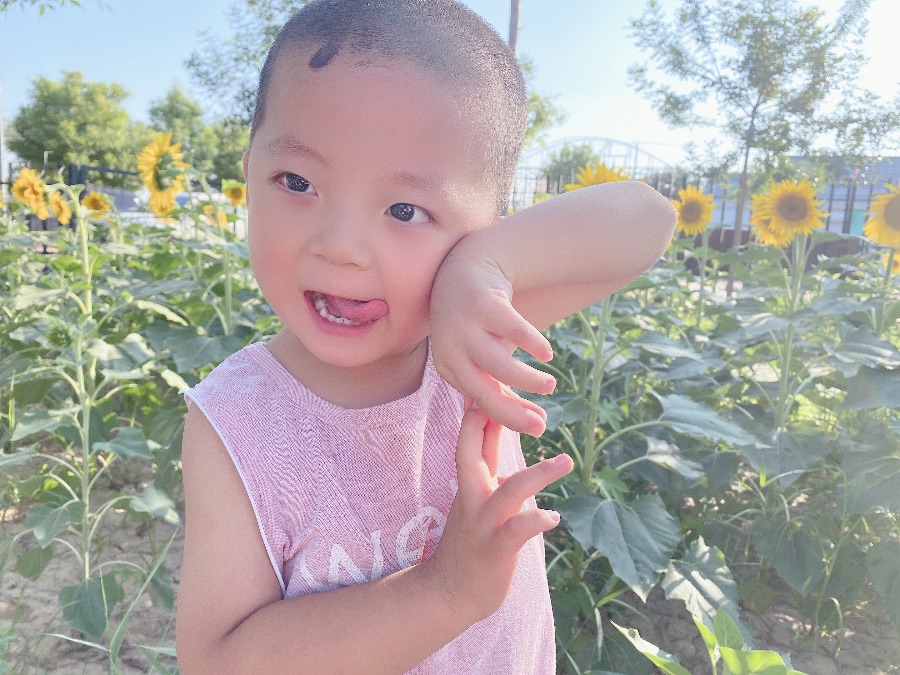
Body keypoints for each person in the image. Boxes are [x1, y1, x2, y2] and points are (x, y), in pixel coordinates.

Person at [175, 1, 676, 673]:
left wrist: (484, 267)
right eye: (297, 182)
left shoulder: (464, 333)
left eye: (405, 209)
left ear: (486, 225)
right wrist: (444, 592)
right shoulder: (237, 421)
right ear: (248, 175)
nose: (341, 246)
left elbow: (649, 218)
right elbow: (215, 660)